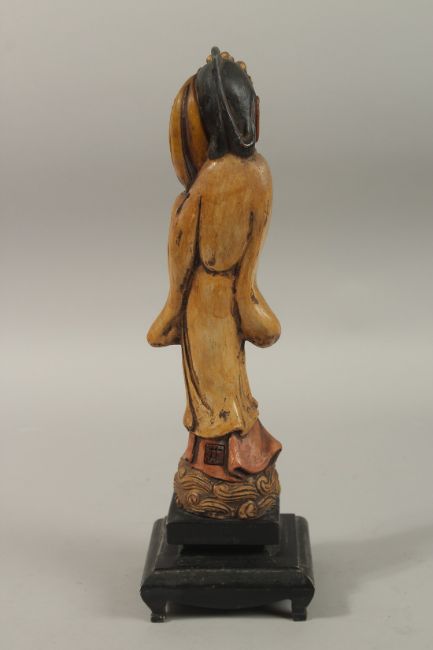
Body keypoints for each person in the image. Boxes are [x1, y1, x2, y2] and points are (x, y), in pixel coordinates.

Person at [148, 47, 281, 489]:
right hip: (231, 293)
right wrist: (246, 294)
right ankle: (230, 468)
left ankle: (218, 472)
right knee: (229, 384)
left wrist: (172, 306)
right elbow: (253, 248)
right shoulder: (260, 173)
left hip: (205, 300)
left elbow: (183, 250)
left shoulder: (208, 180)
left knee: (214, 393)